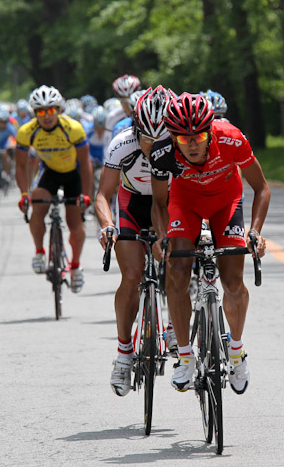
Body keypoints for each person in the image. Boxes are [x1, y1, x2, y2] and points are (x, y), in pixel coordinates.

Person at [150, 92, 270, 394]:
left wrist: (254, 232)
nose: (192, 144)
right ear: (172, 136)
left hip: (225, 202)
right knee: (176, 273)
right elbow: (159, 202)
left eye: (199, 135)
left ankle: (236, 351)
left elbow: (261, 188)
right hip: (184, 204)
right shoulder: (162, 151)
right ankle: (187, 357)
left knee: (232, 281)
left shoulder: (231, 139)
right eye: (183, 138)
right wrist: (163, 236)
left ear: (210, 129)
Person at [95, 86, 174, 396]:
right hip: (133, 206)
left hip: (168, 205)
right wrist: (107, 225)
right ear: (136, 128)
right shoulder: (121, 144)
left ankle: (174, 329)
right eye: (147, 139)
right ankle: (124, 354)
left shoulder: (179, 146)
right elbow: (103, 194)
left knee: (177, 264)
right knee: (131, 276)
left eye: (160, 138)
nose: (153, 146)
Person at [15, 85, 93, 293]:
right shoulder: (26, 132)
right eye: (41, 111)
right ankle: (39, 251)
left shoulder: (73, 128)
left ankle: (75, 267)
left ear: (59, 110)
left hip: (73, 174)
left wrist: (86, 194)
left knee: (74, 222)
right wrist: (24, 194)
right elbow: (21, 166)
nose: (47, 116)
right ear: (35, 114)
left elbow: (86, 164)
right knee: (37, 205)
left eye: (51, 110)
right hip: (49, 171)